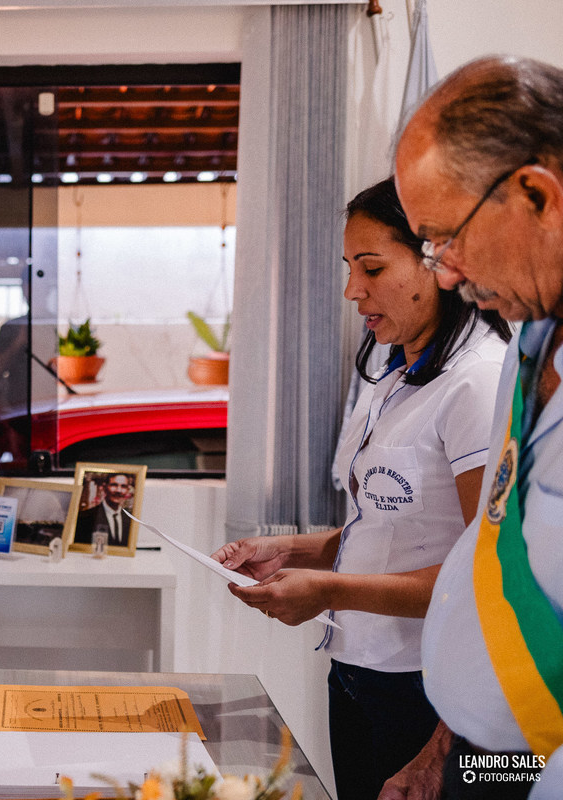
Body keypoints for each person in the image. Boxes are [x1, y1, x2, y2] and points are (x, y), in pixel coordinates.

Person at [211, 176, 510, 800]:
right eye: (351, 267)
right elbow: (393, 528)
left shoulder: (477, 385)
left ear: (439, 264)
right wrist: (293, 552)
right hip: (357, 674)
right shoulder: (395, 373)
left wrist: (328, 589)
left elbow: (485, 576)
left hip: (429, 695)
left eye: (371, 268)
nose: (353, 290)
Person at [393, 55, 563, 799]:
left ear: (536, 195)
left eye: (445, 238)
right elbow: (494, 554)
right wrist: (444, 750)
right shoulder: (530, 343)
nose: (446, 273)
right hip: (488, 759)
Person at [73, 473, 134, 547]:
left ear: (127, 490)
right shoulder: (84, 517)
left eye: (123, 486)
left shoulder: (131, 520)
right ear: (105, 487)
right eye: (114, 485)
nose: (119, 490)